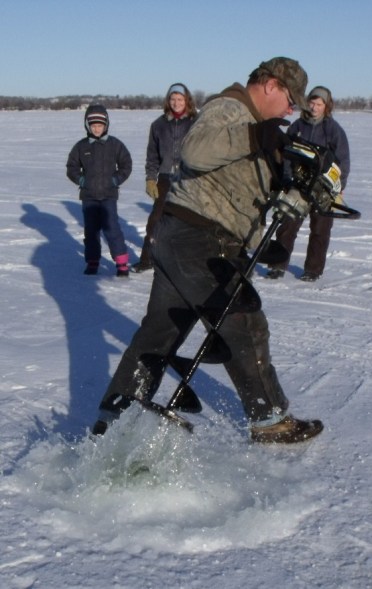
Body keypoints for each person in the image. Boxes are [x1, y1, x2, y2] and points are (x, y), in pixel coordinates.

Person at [91, 57, 324, 444]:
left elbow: (243, 183)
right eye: (289, 98)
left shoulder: (255, 127)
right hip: (201, 238)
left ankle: (112, 422)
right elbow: (195, 151)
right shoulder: (229, 108)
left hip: (185, 236)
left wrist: (296, 191)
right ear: (270, 85)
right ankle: (270, 421)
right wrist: (256, 138)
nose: (291, 109)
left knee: (160, 333)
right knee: (244, 322)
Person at [266, 85, 350, 281]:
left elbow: (343, 161)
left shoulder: (334, 130)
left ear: (326, 106)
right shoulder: (297, 126)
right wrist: (287, 178)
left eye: (319, 104)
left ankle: (313, 270)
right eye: (312, 103)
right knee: (287, 226)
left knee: (320, 230)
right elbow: (287, 154)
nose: (314, 107)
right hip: (299, 184)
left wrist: (339, 186)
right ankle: (278, 265)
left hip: (323, 188)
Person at [132, 83, 198, 273]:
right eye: (173, 99)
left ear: (187, 101)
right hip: (166, 178)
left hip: (189, 179)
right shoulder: (158, 125)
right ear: (168, 101)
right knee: (156, 220)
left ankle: (188, 262)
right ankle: (147, 259)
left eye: (180, 99)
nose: (176, 103)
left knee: (189, 221)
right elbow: (152, 156)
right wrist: (150, 179)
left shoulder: (196, 123)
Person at [66, 104, 133, 276]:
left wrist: (115, 179)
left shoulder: (114, 144)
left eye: (100, 125)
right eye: (93, 125)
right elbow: (71, 167)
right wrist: (81, 179)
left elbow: (126, 164)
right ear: (87, 126)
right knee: (91, 231)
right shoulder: (81, 146)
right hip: (89, 196)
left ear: (106, 125)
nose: (97, 129)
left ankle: (122, 263)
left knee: (112, 228)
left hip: (108, 196)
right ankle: (93, 261)